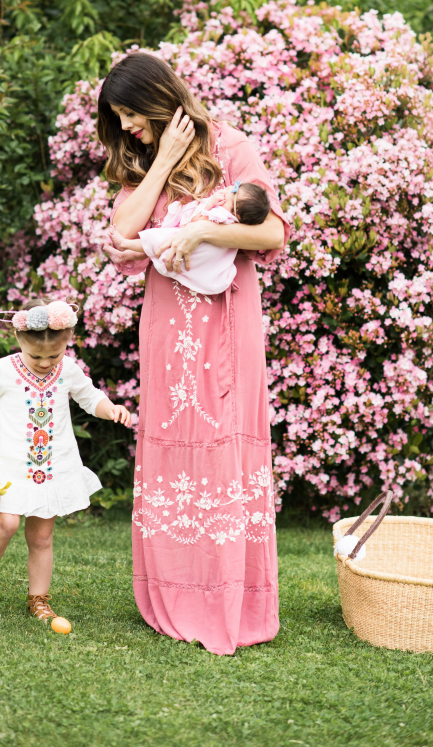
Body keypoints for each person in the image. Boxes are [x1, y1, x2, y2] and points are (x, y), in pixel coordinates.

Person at [98, 51, 289, 656]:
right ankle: (175, 592)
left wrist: (204, 230)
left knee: (223, 444)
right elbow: (120, 243)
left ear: (162, 96)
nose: (127, 126)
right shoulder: (143, 161)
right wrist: (162, 165)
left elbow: (271, 234)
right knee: (175, 446)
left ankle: (231, 595)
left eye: (132, 112)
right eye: (119, 117)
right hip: (167, 329)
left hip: (227, 323)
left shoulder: (232, 147)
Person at [0, 297, 131, 620]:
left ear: (67, 341)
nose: (45, 362)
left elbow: (90, 396)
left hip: (50, 466)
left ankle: (38, 598)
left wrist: (109, 409)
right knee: (6, 523)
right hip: (9, 465)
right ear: (18, 340)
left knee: (41, 536)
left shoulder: (67, 369)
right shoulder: (4, 370)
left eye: (53, 355)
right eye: (36, 355)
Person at [107, 180, 271, 295]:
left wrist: (209, 204)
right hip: (190, 246)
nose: (225, 191)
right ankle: (126, 254)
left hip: (193, 248)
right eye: (230, 188)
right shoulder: (230, 219)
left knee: (157, 239)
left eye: (229, 195)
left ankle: (123, 244)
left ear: (237, 214)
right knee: (154, 247)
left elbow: (196, 222)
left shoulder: (222, 216)